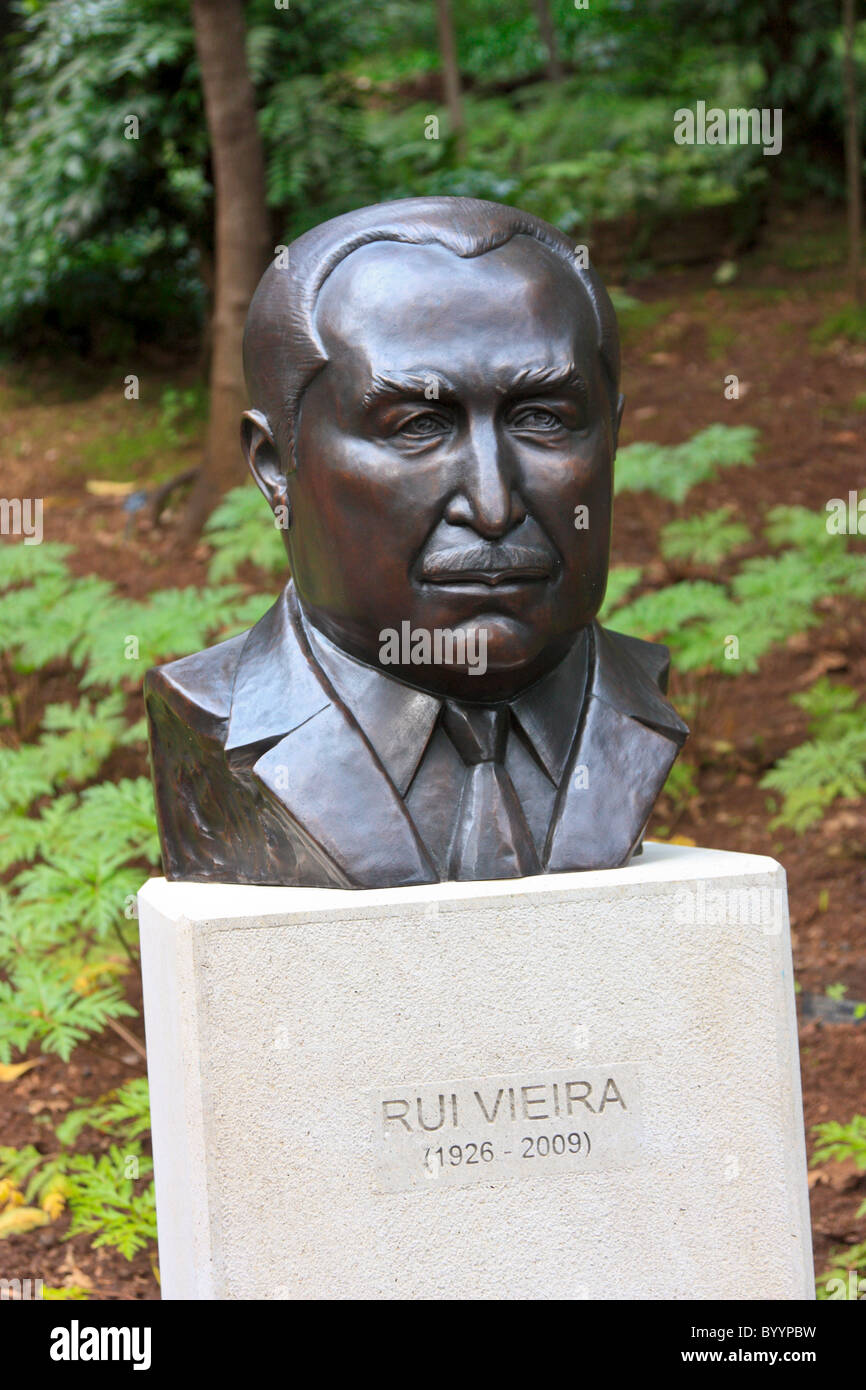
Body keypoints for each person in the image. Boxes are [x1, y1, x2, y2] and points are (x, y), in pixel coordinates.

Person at [145, 196, 688, 888]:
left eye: (544, 419)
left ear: (610, 438)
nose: (493, 506)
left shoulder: (636, 710)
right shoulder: (210, 715)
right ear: (275, 466)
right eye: (418, 427)